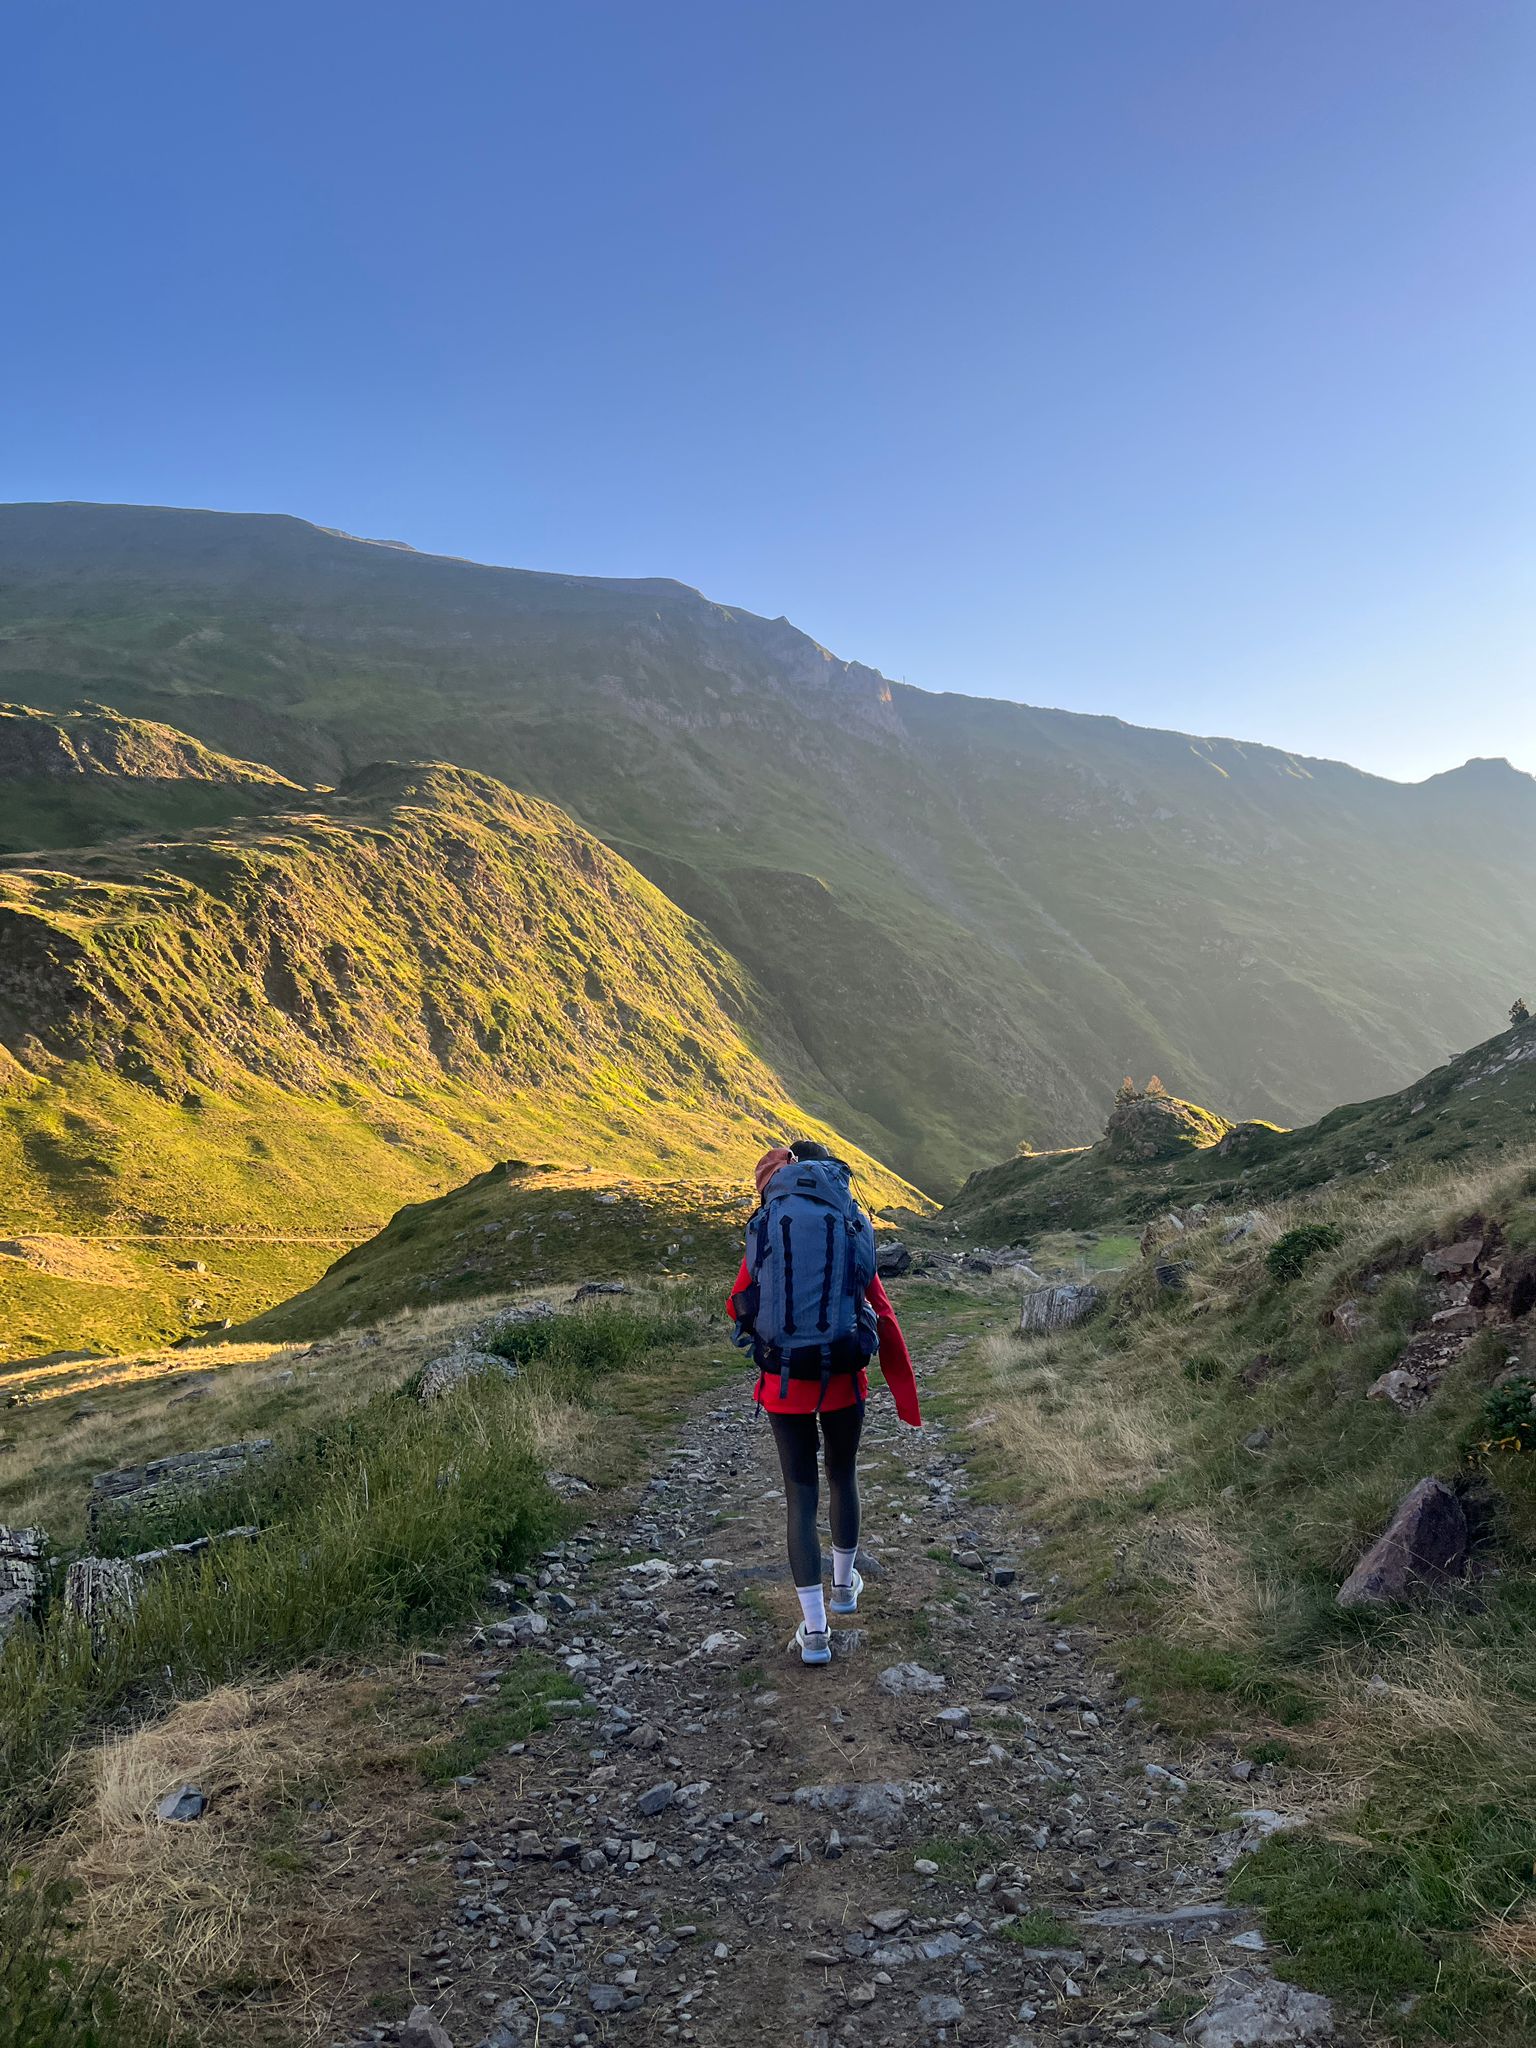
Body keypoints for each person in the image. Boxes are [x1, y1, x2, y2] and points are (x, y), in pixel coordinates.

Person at [727, 1139, 921, 1664]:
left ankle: (814, 1634)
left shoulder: (773, 1220)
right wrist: (904, 1389)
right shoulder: (847, 1223)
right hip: (842, 1376)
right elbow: (877, 1303)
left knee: (799, 1494)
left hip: (783, 1383)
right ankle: (844, 1588)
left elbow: (740, 1298)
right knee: (842, 1474)